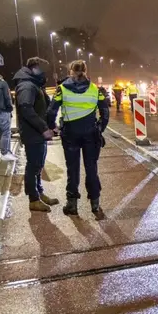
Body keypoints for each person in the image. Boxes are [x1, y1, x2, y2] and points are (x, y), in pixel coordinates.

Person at [47, 60, 109, 218]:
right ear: (86, 71)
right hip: (91, 133)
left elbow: (51, 112)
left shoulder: (62, 89)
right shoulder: (96, 89)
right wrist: (100, 127)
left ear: (71, 71)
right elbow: (105, 112)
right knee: (91, 169)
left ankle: (72, 204)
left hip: (70, 134)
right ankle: (95, 203)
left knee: (72, 169)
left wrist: (53, 127)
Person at [13, 57, 59, 212]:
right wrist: (43, 128)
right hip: (33, 133)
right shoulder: (27, 85)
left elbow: (40, 108)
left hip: (37, 133)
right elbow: (26, 108)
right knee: (33, 166)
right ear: (35, 68)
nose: (45, 75)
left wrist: (51, 126)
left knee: (38, 165)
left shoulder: (33, 84)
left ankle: (39, 193)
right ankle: (33, 199)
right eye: (43, 71)